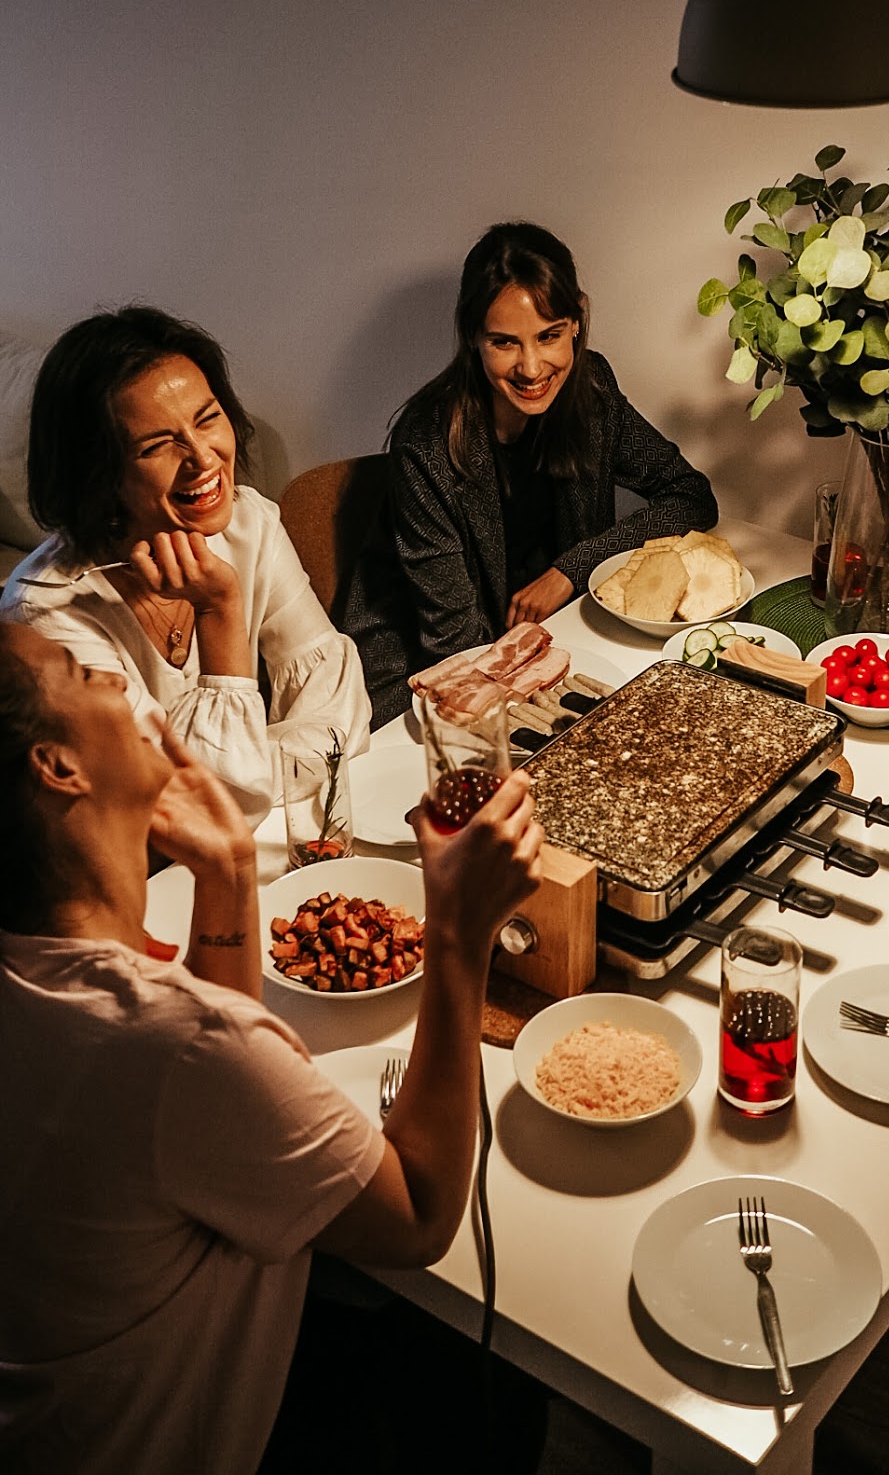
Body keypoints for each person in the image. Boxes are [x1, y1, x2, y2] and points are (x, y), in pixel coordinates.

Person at [0, 620, 543, 1475]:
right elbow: (420, 1217)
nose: (116, 681)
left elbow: (215, 1100)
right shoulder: (172, 1042)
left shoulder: (49, 979)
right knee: (493, 1395)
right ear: (58, 767)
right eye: (79, 671)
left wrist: (226, 873)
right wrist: (458, 934)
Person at [0, 306, 371, 823]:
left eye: (208, 418)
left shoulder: (249, 523)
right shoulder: (45, 613)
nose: (203, 457)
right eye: (158, 445)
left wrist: (254, 773)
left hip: (269, 834)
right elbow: (196, 813)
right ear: (98, 475)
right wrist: (219, 609)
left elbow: (338, 708)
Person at [346, 221, 719, 667]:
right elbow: (455, 643)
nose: (531, 368)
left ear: (577, 321)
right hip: (421, 668)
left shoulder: (593, 389)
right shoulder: (427, 444)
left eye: (549, 336)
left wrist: (572, 570)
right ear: (473, 337)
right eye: (504, 343)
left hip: (550, 637)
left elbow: (691, 497)